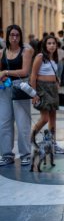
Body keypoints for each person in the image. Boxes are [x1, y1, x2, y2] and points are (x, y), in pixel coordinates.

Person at [0, 24, 33, 166]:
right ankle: (7, 154)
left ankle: (25, 154)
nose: (14, 38)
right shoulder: (1, 52)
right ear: (7, 36)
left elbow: (25, 71)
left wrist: (6, 72)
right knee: (4, 122)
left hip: (20, 88)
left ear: (20, 37)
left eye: (17, 35)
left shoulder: (25, 51)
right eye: (12, 35)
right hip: (4, 89)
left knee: (22, 123)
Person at [30, 35, 64, 154]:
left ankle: (53, 143)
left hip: (53, 89)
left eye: (54, 43)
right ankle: (31, 137)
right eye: (49, 43)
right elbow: (33, 76)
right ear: (45, 45)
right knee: (45, 118)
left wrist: (56, 82)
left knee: (53, 118)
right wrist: (34, 94)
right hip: (42, 88)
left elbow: (53, 72)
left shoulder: (54, 58)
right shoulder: (40, 57)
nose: (52, 46)